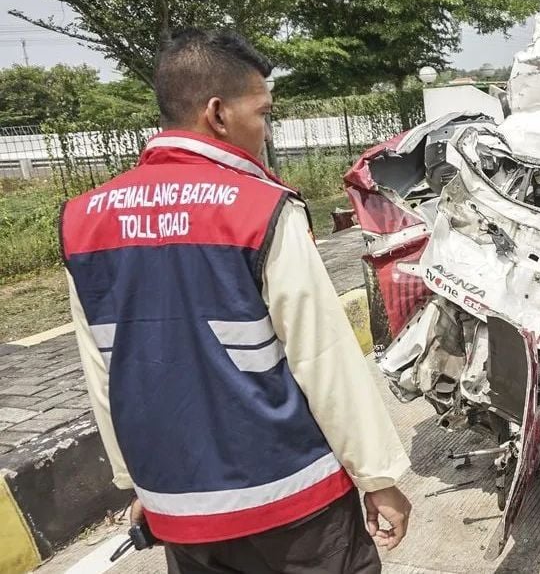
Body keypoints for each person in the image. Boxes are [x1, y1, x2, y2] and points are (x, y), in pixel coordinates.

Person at [60, 29, 412, 573]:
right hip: (293, 502)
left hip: (183, 509)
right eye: (263, 112)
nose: (266, 130)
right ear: (218, 114)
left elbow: (104, 371)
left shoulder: (84, 221)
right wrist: (378, 478)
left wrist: (140, 482)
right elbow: (324, 360)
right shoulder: (262, 209)